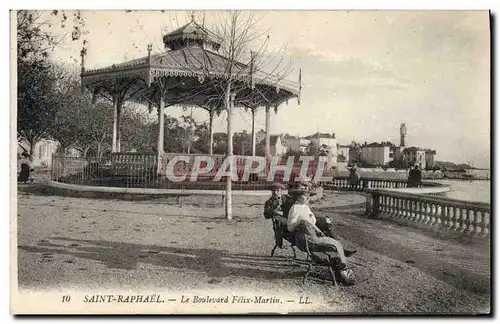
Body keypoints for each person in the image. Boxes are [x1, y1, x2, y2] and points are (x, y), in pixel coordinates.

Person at [287, 182, 355, 273]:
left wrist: (315, 226)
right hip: (305, 239)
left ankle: (342, 265)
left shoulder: (305, 207)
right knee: (335, 243)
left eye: (308, 195)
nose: (307, 198)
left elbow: (313, 222)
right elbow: (290, 228)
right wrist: (301, 223)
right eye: (305, 195)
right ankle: (343, 267)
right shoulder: (295, 208)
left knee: (335, 243)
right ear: (298, 196)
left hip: (312, 236)